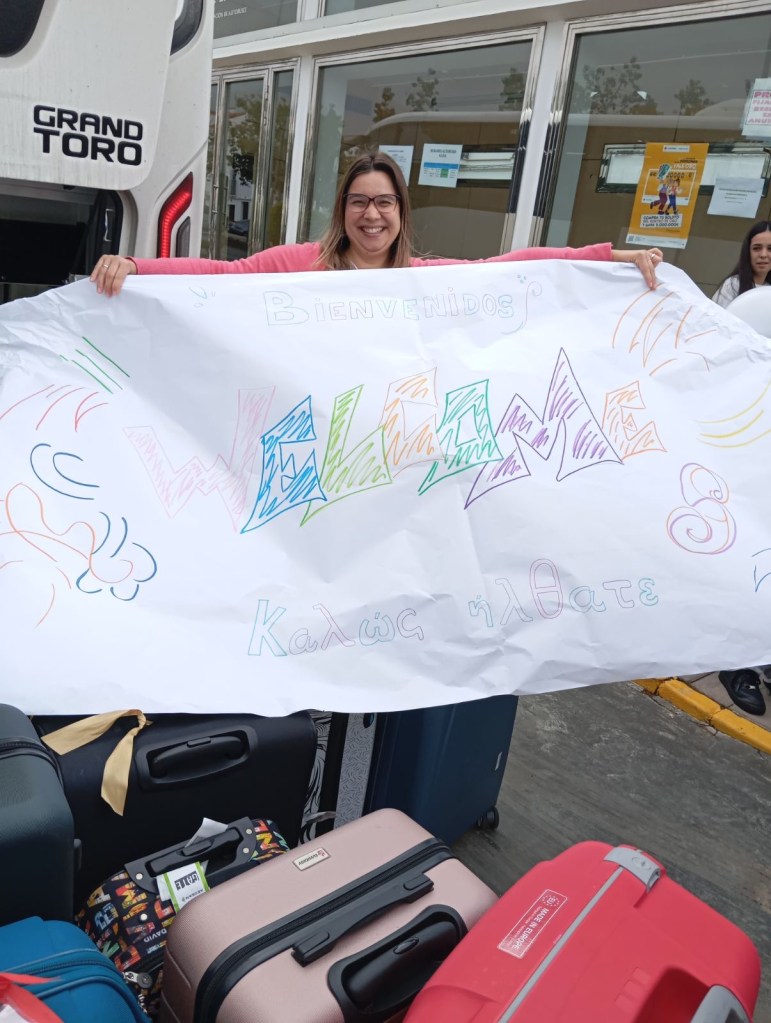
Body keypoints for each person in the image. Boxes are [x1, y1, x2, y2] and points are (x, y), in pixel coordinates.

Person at [91, 151, 662, 296]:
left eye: (385, 203)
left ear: (400, 213)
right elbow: (221, 274)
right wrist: (136, 265)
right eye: (360, 202)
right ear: (343, 209)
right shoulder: (300, 263)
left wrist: (611, 258)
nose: (372, 215)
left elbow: (506, 267)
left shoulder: (422, 276)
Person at [712, 219, 771, 309]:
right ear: (747, 252)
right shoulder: (733, 285)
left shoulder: (767, 289)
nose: (763, 255)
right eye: (756, 248)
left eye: (770, 249)